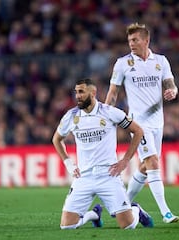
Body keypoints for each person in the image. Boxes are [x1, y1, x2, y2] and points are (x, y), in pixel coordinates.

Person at [52, 78, 154, 229]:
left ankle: (136, 210)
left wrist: (125, 160)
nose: (77, 96)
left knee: (129, 226)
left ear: (93, 93)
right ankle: (94, 214)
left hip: (108, 176)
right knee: (66, 227)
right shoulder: (71, 116)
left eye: (81, 92)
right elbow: (57, 139)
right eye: (76, 92)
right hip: (84, 177)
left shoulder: (109, 112)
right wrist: (68, 163)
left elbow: (138, 131)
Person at [105, 23, 179, 224]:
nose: (131, 44)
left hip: (158, 122)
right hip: (137, 124)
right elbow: (113, 93)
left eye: (135, 40)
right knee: (154, 162)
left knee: (146, 167)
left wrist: (173, 91)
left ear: (146, 40)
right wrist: (104, 115)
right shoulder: (122, 64)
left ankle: (122, 205)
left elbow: (171, 84)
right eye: (129, 40)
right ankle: (166, 212)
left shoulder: (161, 61)